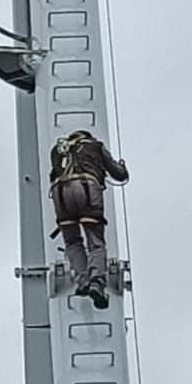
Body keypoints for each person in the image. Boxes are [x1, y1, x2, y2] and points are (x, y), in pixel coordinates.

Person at [49, 128, 128, 308]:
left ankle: (83, 281)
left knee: (72, 241)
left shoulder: (57, 150)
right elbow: (118, 174)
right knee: (95, 241)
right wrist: (122, 168)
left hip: (60, 194)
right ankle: (96, 283)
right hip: (86, 188)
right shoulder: (95, 146)